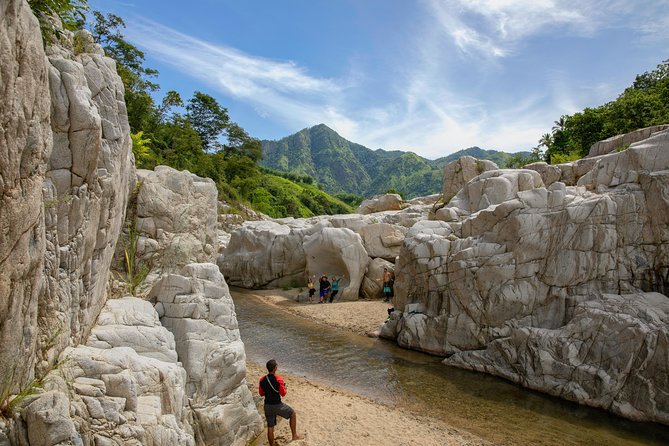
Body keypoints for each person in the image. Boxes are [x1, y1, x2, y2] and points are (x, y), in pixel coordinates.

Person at [258, 359, 302, 446]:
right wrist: (284, 388)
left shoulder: (262, 379)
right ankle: (294, 436)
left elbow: (261, 394)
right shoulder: (279, 379)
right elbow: (283, 393)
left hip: (267, 406)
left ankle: (272, 444)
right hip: (277, 405)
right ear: (275, 368)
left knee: (270, 426)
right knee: (292, 414)